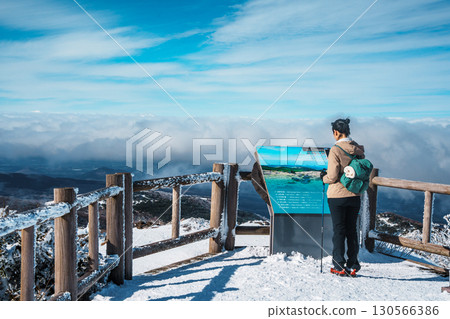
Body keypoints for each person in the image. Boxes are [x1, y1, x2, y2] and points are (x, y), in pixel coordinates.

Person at [320, 118, 365, 277]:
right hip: (354, 195)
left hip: (338, 195)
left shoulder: (335, 149)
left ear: (336, 132)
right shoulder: (358, 148)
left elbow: (332, 176)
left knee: (339, 230)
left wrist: (323, 178)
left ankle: (339, 265)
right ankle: (353, 265)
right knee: (352, 230)